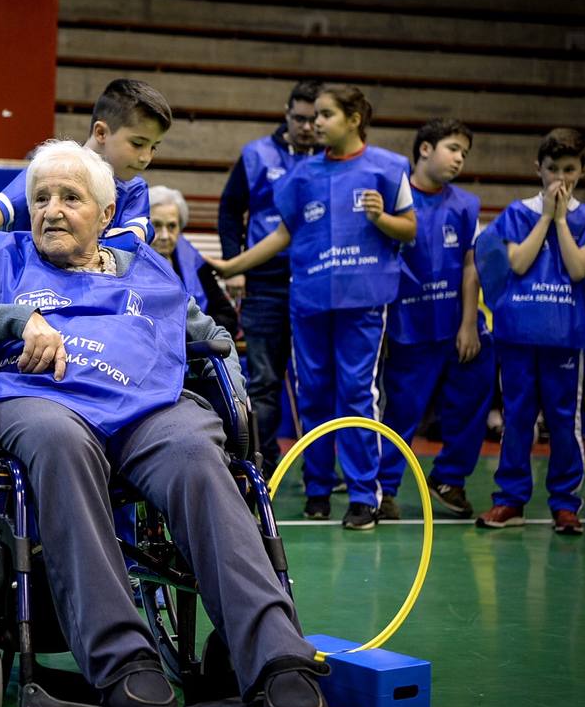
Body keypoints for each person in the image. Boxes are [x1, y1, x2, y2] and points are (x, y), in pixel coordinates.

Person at [0, 140, 329, 707]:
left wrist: (235, 405)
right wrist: (11, 319)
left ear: (106, 215)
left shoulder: (148, 270)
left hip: (149, 411)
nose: (51, 210)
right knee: (59, 445)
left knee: (197, 455)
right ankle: (121, 655)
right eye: (40, 198)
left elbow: (213, 339)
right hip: (44, 402)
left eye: (70, 198)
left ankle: (276, 655)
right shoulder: (1, 262)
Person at [206, 84, 416, 530]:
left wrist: (382, 219)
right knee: (313, 392)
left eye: (325, 115)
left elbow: (410, 231)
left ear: (354, 119)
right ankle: (318, 488)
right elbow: (282, 236)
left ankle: (363, 495)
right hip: (309, 301)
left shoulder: (389, 168)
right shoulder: (302, 176)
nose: (315, 123)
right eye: (314, 115)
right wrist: (233, 264)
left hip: (363, 303)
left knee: (357, 393)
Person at [476, 128, 585, 535]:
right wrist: (545, 218)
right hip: (518, 334)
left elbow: (579, 268)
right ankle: (510, 501)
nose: (560, 179)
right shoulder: (517, 213)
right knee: (517, 417)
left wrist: (563, 221)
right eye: (553, 169)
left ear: (583, 170)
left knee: (563, 419)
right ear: (539, 168)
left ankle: (565, 505)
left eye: (569, 170)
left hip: (565, 337)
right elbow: (517, 263)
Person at [377, 119, 492, 520]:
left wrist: (467, 323)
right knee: (402, 412)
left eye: (465, 152)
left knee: (472, 397)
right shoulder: (392, 200)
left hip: (458, 325)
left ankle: (449, 479)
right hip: (410, 327)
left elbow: (471, 265)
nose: (460, 158)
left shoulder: (465, 206)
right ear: (425, 149)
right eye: (453, 148)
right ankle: (384, 489)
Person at [0, 78, 171, 252]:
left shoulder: (136, 190)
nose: (146, 157)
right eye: (138, 143)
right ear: (101, 132)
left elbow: (133, 241)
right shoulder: (48, 171)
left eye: (154, 146)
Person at [217, 81, 322, 476]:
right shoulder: (257, 155)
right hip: (264, 283)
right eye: (300, 118)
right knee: (263, 380)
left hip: (316, 282)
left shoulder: (331, 159)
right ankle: (265, 465)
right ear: (286, 113)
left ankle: (319, 470)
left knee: (316, 382)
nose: (307, 126)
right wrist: (236, 264)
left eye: (314, 119)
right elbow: (230, 212)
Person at [148, 185, 237, 335]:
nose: (164, 236)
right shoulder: (126, 263)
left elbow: (228, 317)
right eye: (156, 225)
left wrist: (192, 332)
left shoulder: (195, 263)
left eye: (171, 226)